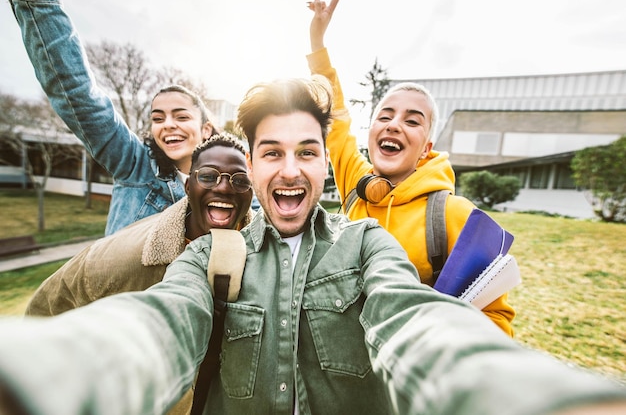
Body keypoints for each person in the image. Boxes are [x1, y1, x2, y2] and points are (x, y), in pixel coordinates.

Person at [1, 76, 625, 415]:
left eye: (307, 152)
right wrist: (47, 374)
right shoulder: (212, 255)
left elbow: (416, 323)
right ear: (251, 164)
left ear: (328, 165)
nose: (290, 170)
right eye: (271, 153)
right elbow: (160, 326)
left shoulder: (368, 244)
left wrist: (521, 394)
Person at [306, 0, 515, 335]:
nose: (393, 125)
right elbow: (338, 119)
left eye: (412, 121)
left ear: (426, 149)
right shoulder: (356, 188)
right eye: (384, 116)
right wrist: (318, 43)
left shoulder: (454, 215)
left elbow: (495, 318)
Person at [9, 0, 219, 235]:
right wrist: (37, 3)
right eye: (158, 119)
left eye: (181, 117)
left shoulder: (235, 184)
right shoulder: (133, 163)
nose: (168, 125)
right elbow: (78, 94)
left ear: (206, 130)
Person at [24, 133, 253, 317]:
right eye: (208, 176)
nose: (224, 187)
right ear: (188, 187)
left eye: (240, 180)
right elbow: (45, 310)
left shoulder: (267, 255)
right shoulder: (116, 259)